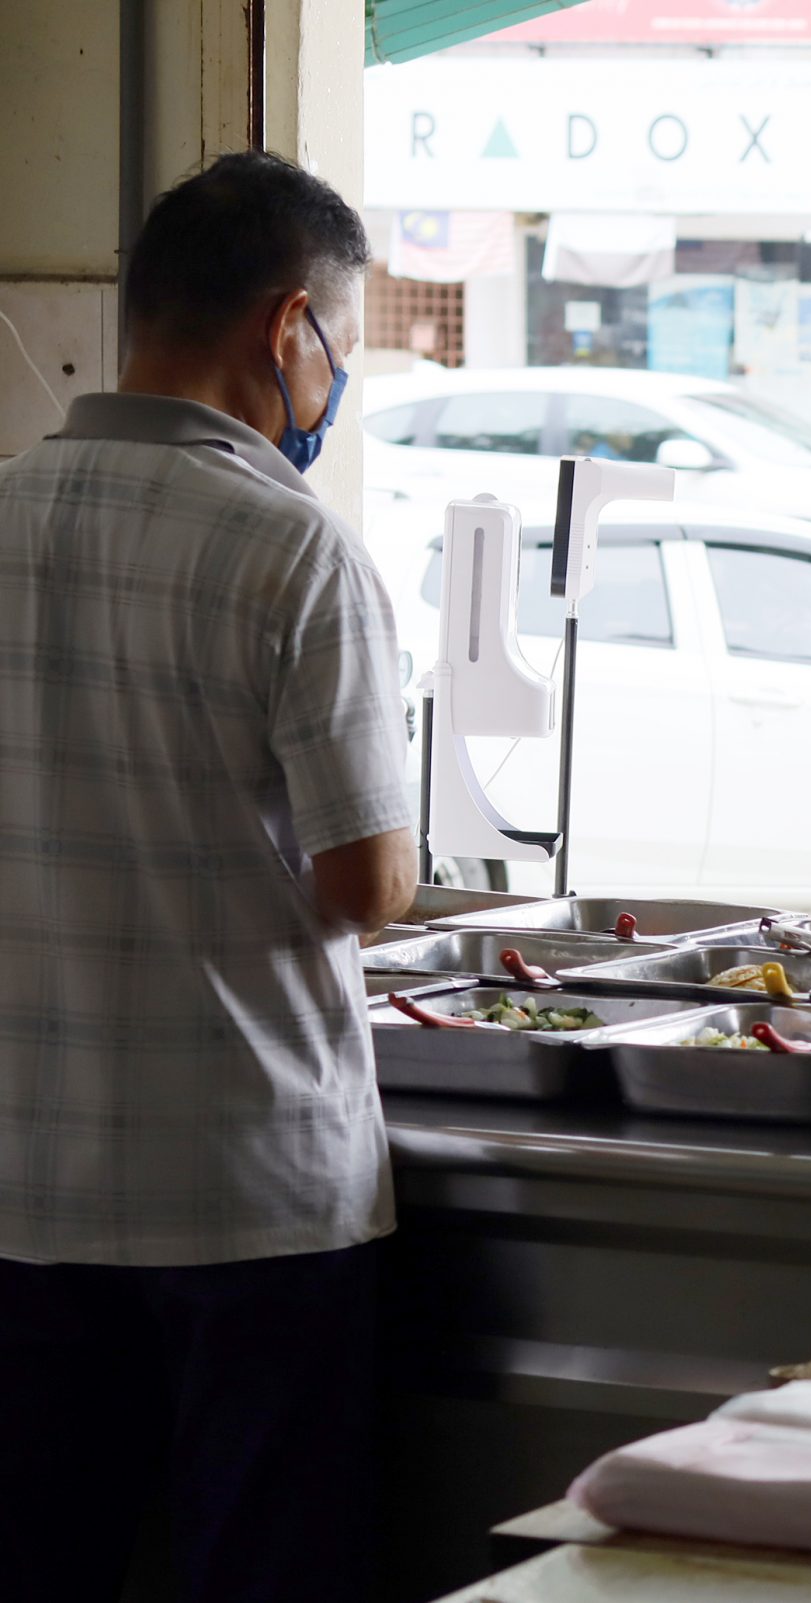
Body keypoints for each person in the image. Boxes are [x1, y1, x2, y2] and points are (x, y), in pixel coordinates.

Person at [0, 152, 415, 1601]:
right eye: (343, 348)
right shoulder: (293, 553)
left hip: (24, 1189)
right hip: (252, 1199)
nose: (335, 379)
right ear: (286, 327)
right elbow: (366, 885)